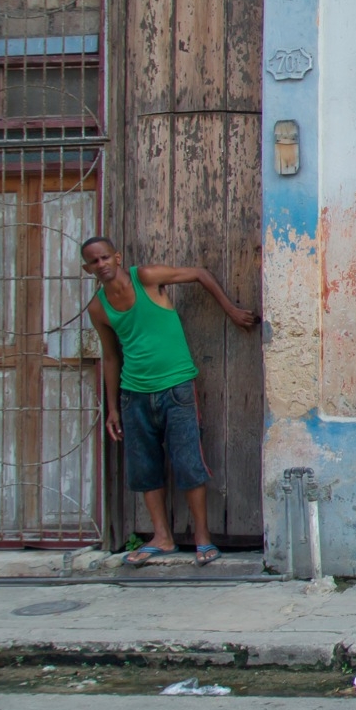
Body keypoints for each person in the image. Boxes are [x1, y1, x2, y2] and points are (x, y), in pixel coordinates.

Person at [81, 236, 260, 567]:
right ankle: (162, 538)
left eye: (105, 257)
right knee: (145, 468)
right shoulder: (98, 307)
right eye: (94, 262)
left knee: (189, 462)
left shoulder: (147, 277)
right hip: (133, 393)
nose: (101, 264)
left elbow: (200, 274)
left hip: (176, 386)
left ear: (117, 257)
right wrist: (113, 408)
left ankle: (202, 539)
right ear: (87, 268)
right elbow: (109, 357)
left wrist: (231, 310)